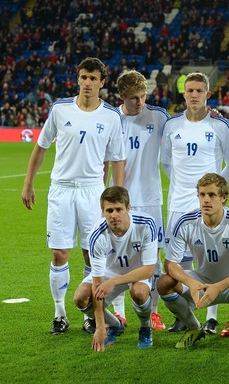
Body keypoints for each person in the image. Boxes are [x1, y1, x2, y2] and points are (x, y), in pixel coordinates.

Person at [21, 57, 125, 334]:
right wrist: (28, 183)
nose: (87, 83)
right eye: (83, 77)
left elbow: (117, 159)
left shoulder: (111, 116)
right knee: (59, 253)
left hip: (93, 191)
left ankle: (90, 314)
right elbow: (41, 147)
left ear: (102, 83)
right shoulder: (60, 109)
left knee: (92, 255)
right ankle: (60, 313)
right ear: (77, 79)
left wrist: (119, 198)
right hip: (61, 189)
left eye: (93, 78)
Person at [161, 72, 229, 335]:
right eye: (190, 90)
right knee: (179, 266)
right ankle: (184, 316)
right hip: (177, 205)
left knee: (211, 260)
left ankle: (212, 314)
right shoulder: (172, 125)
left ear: (208, 93)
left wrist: (214, 190)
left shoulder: (221, 125)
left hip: (208, 207)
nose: (194, 94)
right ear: (183, 94)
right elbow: (165, 162)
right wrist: (186, 188)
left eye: (199, 90)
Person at [157, 173, 229, 352]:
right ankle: (193, 327)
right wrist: (190, 282)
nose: (206, 200)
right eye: (202, 195)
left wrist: (218, 287)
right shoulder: (186, 222)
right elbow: (170, 263)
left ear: (223, 198)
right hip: (201, 280)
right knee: (164, 282)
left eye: (212, 195)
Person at [107, 70, 170, 331]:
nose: (140, 102)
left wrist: (209, 116)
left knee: (152, 259)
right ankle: (119, 313)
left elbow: (189, 123)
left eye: (143, 96)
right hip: (120, 199)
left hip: (151, 199)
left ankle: (154, 312)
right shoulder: (111, 119)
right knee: (117, 256)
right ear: (122, 96)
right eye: (134, 98)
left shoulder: (159, 117)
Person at [73, 186, 157, 351]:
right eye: (109, 210)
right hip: (108, 274)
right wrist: (99, 326)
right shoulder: (96, 235)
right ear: (103, 212)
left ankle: (145, 327)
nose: (114, 215)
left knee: (139, 293)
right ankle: (115, 325)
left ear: (128, 208)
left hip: (137, 271)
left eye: (119, 209)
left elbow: (148, 269)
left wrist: (114, 281)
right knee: (80, 297)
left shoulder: (146, 224)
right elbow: (97, 283)